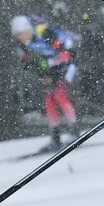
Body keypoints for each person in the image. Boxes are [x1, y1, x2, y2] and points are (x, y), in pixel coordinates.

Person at [11, 15, 80, 148]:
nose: (21, 37)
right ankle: (55, 136)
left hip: (66, 66)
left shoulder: (44, 33)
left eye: (22, 33)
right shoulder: (23, 46)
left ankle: (74, 131)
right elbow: (30, 64)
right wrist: (43, 73)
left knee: (59, 95)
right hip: (50, 72)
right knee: (49, 100)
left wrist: (53, 63)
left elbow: (66, 52)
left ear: (28, 29)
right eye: (17, 35)